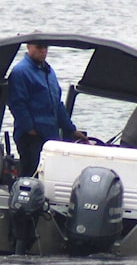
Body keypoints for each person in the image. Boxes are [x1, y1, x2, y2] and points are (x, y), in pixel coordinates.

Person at [7, 40, 86, 177]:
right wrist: (30, 129)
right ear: (28, 47)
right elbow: (17, 103)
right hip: (31, 137)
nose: (43, 50)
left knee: (50, 174)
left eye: (45, 47)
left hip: (50, 136)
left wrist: (71, 129)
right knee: (31, 174)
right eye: (39, 47)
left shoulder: (49, 71)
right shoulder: (20, 72)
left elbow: (57, 104)